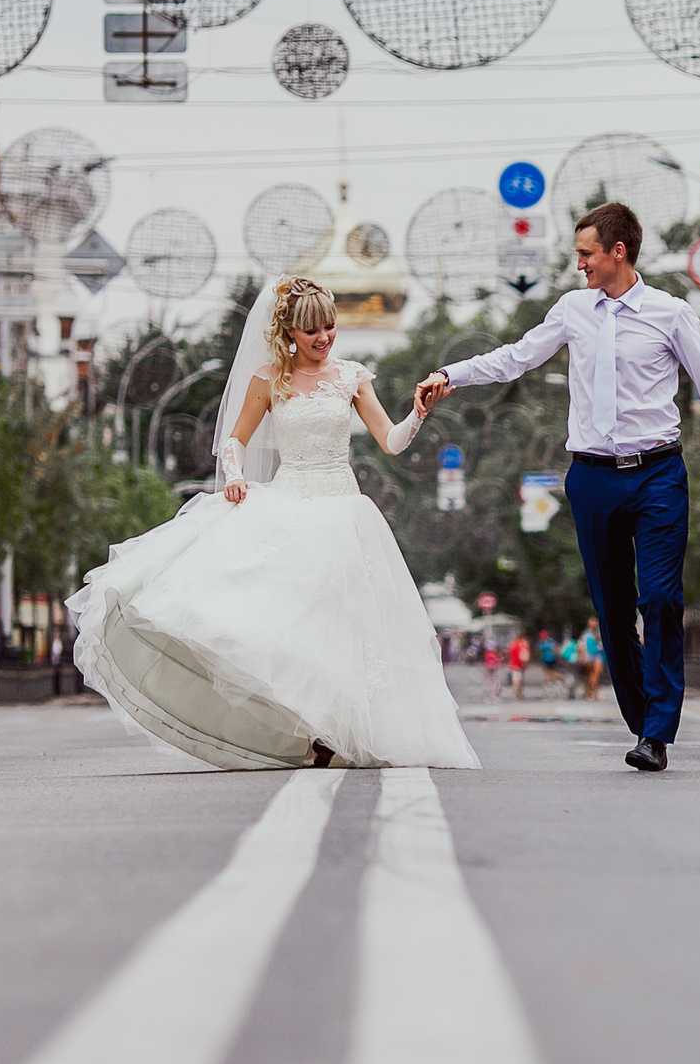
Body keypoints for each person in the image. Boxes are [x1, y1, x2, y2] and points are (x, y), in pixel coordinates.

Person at [66, 277, 478, 770]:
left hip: (342, 509)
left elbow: (390, 441)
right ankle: (305, 726)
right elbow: (234, 441)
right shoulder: (269, 380)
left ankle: (336, 731)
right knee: (285, 621)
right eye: (312, 330)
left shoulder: (352, 377)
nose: (323, 337)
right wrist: (235, 477)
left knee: (343, 625)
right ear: (289, 332)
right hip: (288, 502)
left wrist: (418, 414)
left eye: (330, 326)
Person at [416, 201, 700, 774]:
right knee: (613, 610)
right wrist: (453, 375)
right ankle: (646, 722)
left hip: (659, 473)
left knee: (660, 598)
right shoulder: (573, 310)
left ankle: (657, 732)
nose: (579, 266)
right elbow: (516, 359)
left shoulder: (670, 314)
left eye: (586, 254)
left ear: (618, 252)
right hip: (591, 477)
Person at [578, 618, 604, 700]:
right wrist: (581, 656)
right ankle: (589, 690)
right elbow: (581, 645)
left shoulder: (599, 632)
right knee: (588, 675)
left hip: (598, 656)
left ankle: (594, 690)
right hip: (588, 656)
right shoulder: (586, 633)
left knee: (597, 674)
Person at [508, 631, 530, 701]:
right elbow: (526, 654)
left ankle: (516, 689)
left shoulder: (513, 644)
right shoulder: (524, 643)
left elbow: (510, 653)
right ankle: (519, 691)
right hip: (521, 663)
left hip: (514, 663)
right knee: (520, 677)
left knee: (515, 676)